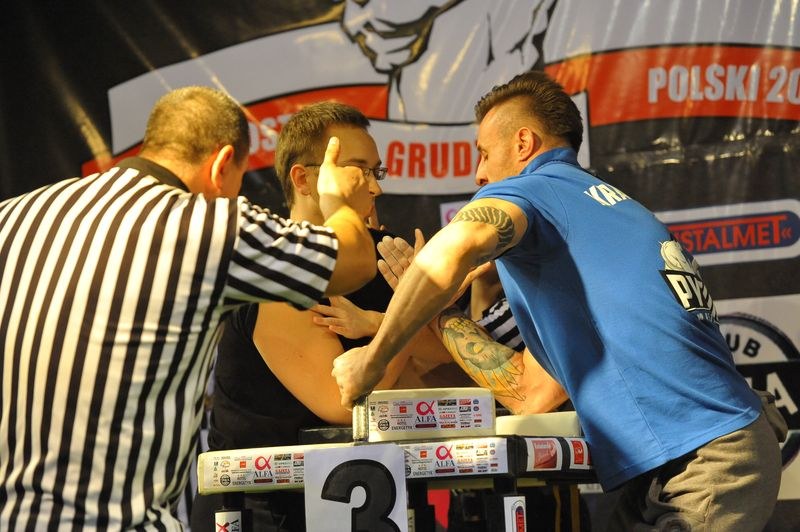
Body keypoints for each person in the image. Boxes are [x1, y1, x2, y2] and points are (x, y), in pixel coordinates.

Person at [332, 71, 783, 530]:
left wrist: (372, 359)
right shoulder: (594, 216)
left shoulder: (535, 189)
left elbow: (452, 250)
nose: (479, 174)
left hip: (704, 458)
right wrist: (440, 313)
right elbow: (530, 393)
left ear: (524, 143)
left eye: (484, 153)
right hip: (685, 459)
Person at [0, 86, 377, 531]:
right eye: (236, 184)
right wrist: (339, 201)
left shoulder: (13, 216)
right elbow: (354, 261)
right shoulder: (206, 225)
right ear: (221, 167)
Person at [190, 101, 466, 532]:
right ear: (304, 179)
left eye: (377, 171)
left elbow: (450, 369)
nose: (375, 188)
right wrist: (408, 309)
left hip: (373, 501)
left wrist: (403, 313)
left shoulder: (386, 254)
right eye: (358, 170)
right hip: (263, 512)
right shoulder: (276, 266)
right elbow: (341, 403)